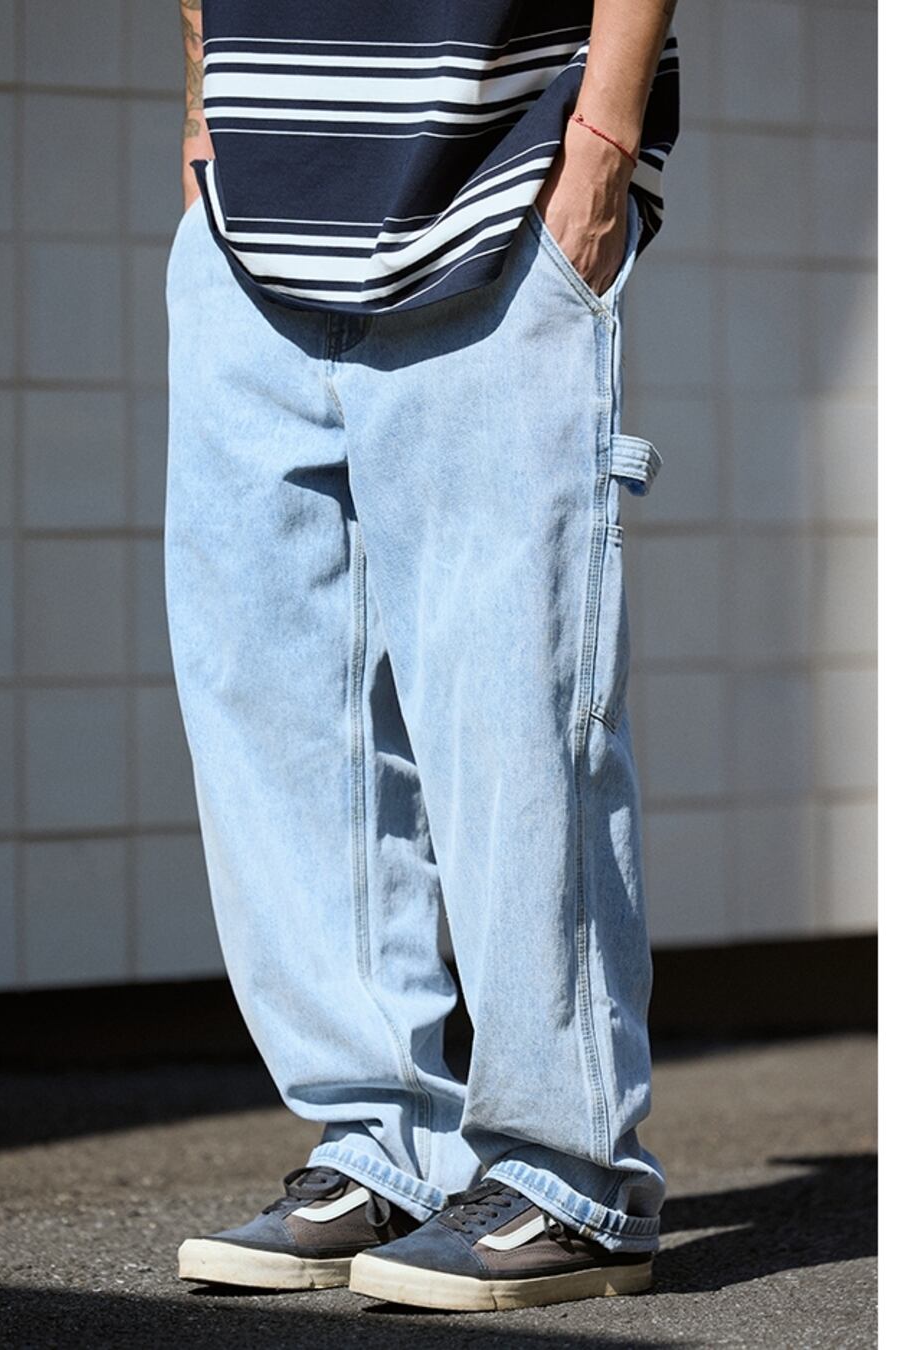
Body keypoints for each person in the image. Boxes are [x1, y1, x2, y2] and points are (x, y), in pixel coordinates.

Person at [166, 0, 679, 1314]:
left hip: (501, 187)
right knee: (272, 705)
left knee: (516, 706)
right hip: (250, 212)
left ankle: (571, 1173)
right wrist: (205, 100)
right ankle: (378, 1139)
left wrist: (604, 142)